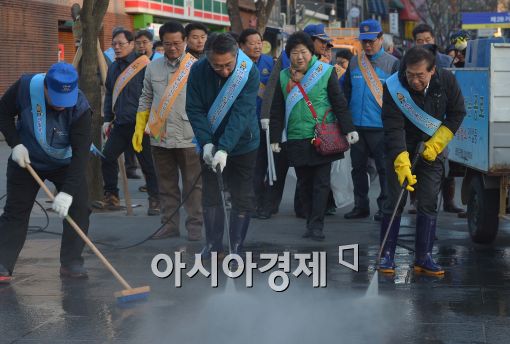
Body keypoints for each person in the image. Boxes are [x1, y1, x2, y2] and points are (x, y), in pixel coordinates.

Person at [0, 63, 92, 282]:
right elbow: (2, 113)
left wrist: (67, 192)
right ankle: (3, 262)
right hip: (27, 159)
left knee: (79, 208)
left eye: (65, 101)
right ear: (46, 88)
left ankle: (71, 262)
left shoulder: (80, 108)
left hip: (65, 162)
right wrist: (15, 144)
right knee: (16, 210)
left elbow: (81, 155)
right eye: (56, 99)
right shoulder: (25, 87)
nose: (61, 106)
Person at [379, 47, 466, 275]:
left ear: (432, 71)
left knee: (427, 201)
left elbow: (457, 113)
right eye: (410, 75)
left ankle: (424, 257)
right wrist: (401, 160)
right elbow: (393, 125)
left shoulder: (446, 81)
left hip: (431, 148)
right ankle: (386, 255)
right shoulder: (393, 86)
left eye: (420, 75)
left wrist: (436, 144)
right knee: (394, 201)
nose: (414, 80)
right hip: (400, 148)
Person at [269, 31, 358, 241]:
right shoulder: (283, 76)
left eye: (303, 52)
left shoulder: (325, 72)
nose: (299, 57)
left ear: (311, 53)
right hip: (296, 138)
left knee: (321, 183)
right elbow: (277, 108)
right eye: (294, 53)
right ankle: (310, 220)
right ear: (288, 55)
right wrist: (274, 137)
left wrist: (349, 129)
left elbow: (339, 101)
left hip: (322, 137)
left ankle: (316, 226)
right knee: (304, 184)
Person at [186, 33, 260, 257]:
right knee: (211, 193)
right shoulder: (198, 71)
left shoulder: (249, 72)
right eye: (217, 67)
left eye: (228, 65)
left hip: (244, 143)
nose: (224, 71)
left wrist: (225, 148)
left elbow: (242, 114)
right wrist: (207, 143)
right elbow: (194, 109)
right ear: (207, 59)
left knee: (242, 194)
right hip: (211, 142)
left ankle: (236, 246)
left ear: (236, 54)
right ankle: (213, 245)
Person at [133, 21, 203, 241]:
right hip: (159, 136)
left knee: (193, 185)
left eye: (177, 43)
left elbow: (206, 100)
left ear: (184, 41)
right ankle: (169, 225)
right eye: (167, 44)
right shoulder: (153, 66)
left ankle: (195, 226)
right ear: (160, 44)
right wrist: (139, 125)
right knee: (166, 185)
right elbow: (146, 96)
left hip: (189, 136)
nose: (172, 48)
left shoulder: (197, 66)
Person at [96, 29, 160, 215]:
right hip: (120, 124)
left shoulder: (144, 65)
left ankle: (155, 199)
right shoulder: (114, 67)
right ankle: (111, 196)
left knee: (148, 165)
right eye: (113, 43)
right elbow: (109, 95)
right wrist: (107, 119)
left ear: (131, 44)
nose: (116, 47)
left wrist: (153, 121)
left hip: (141, 125)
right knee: (107, 158)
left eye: (120, 44)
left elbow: (155, 94)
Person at [343, 19, 399, 221]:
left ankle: (384, 207)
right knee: (357, 168)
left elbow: (398, 99)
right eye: (364, 41)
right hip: (357, 127)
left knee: (385, 170)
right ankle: (360, 205)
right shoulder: (354, 62)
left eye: (371, 41)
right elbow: (345, 93)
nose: (367, 45)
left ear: (380, 39)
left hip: (380, 127)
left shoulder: (393, 64)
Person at [412, 25, 465, 216]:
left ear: (434, 39)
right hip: (416, 120)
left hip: (443, 122)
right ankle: (415, 201)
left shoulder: (445, 61)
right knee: (417, 164)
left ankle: (449, 201)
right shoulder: (408, 61)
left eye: (427, 39)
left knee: (445, 165)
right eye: (420, 40)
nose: (424, 43)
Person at [238, 28, 275, 219]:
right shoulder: (235, 64)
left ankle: (264, 204)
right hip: (243, 123)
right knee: (249, 166)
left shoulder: (270, 62)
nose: (257, 46)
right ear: (242, 46)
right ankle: (249, 202)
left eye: (259, 42)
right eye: (252, 43)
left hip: (264, 122)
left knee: (264, 164)